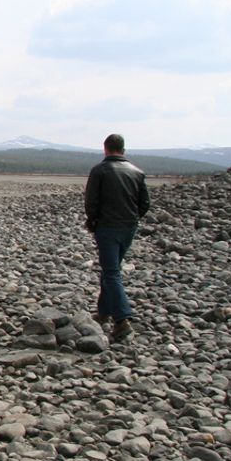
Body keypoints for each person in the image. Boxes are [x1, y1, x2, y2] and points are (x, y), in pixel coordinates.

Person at [84, 134, 150, 342]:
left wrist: (93, 220)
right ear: (123, 149)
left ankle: (122, 320)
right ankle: (103, 313)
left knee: (112, 272)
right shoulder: (137, 172)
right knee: (111, 268)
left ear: (105, 148)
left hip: (107, 227)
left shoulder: (100, 170)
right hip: (128, 227)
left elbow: (91, 201)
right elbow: (144, 203)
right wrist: (132, 218)